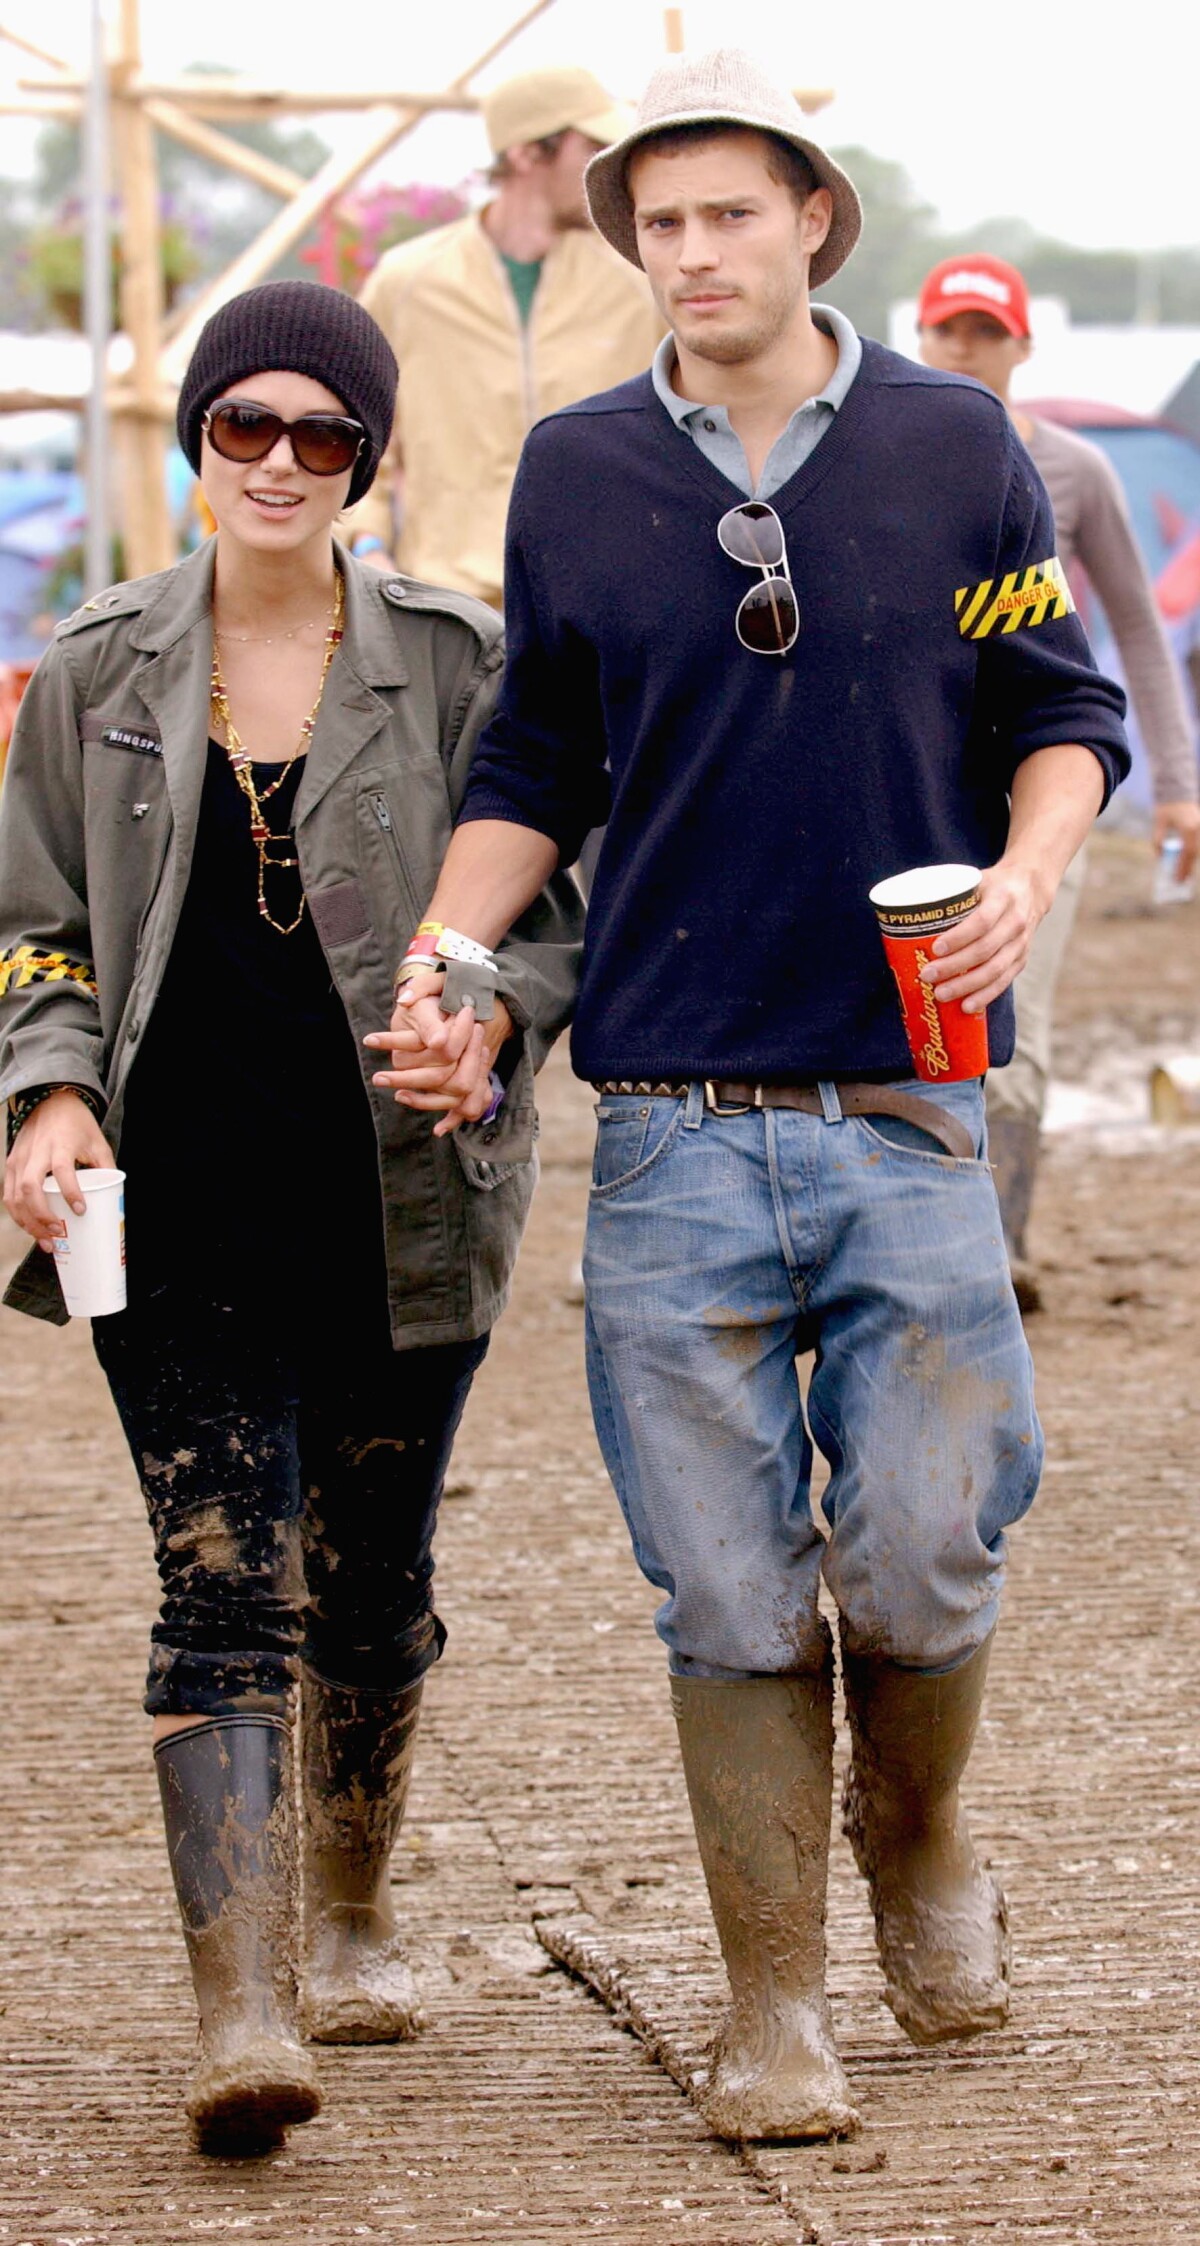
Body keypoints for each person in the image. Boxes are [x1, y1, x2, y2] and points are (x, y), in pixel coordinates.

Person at [368, 51, 1130, 2144]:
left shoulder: (956, 453)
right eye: (655, 225)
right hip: (680, 1129)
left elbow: (1058, 707)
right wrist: (447, 966)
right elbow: (537, 761)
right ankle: (775, 2000)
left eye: (725, 214)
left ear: (811, 218)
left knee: (925, 1551)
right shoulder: (581, 470)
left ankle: (925, 1842)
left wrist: (1024, 872)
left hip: (909, 1118)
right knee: (718, 1587)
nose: (688, 254)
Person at [0, 280, 581, 2154]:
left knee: (374, 1584)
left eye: (318, 433)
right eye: (240, 425)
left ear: (365, 456)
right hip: (165, 1221)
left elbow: (554, 904)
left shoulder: (456, 659)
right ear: (192, 442)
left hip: (405, 1208)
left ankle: (347, 1903)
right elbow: (31, 929)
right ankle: (241, 2001)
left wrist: (491, 1018)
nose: (275, 460)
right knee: (216, 1590)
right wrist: (51, 1087)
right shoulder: (92, 668)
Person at [916, 253, 1200, 1304]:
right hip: (918, 788)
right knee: (917, 1014)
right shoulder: (886, 454)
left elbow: (1136, 624)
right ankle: (921, 1234)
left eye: (984, 331)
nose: (963, 348)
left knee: (1015, 1016)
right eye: (948, 329)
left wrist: (1176, 781)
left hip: (1044, 785)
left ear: (1022, 345)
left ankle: (999, 1247)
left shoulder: (1076, 470)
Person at [343, 65, 663, 608]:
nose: (613, 169)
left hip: (610, 607)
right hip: (448, 611)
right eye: (592, 147)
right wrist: (367, 545)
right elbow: (356, 437)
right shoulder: (406, 284)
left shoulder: (640, 284)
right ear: (524, 153)